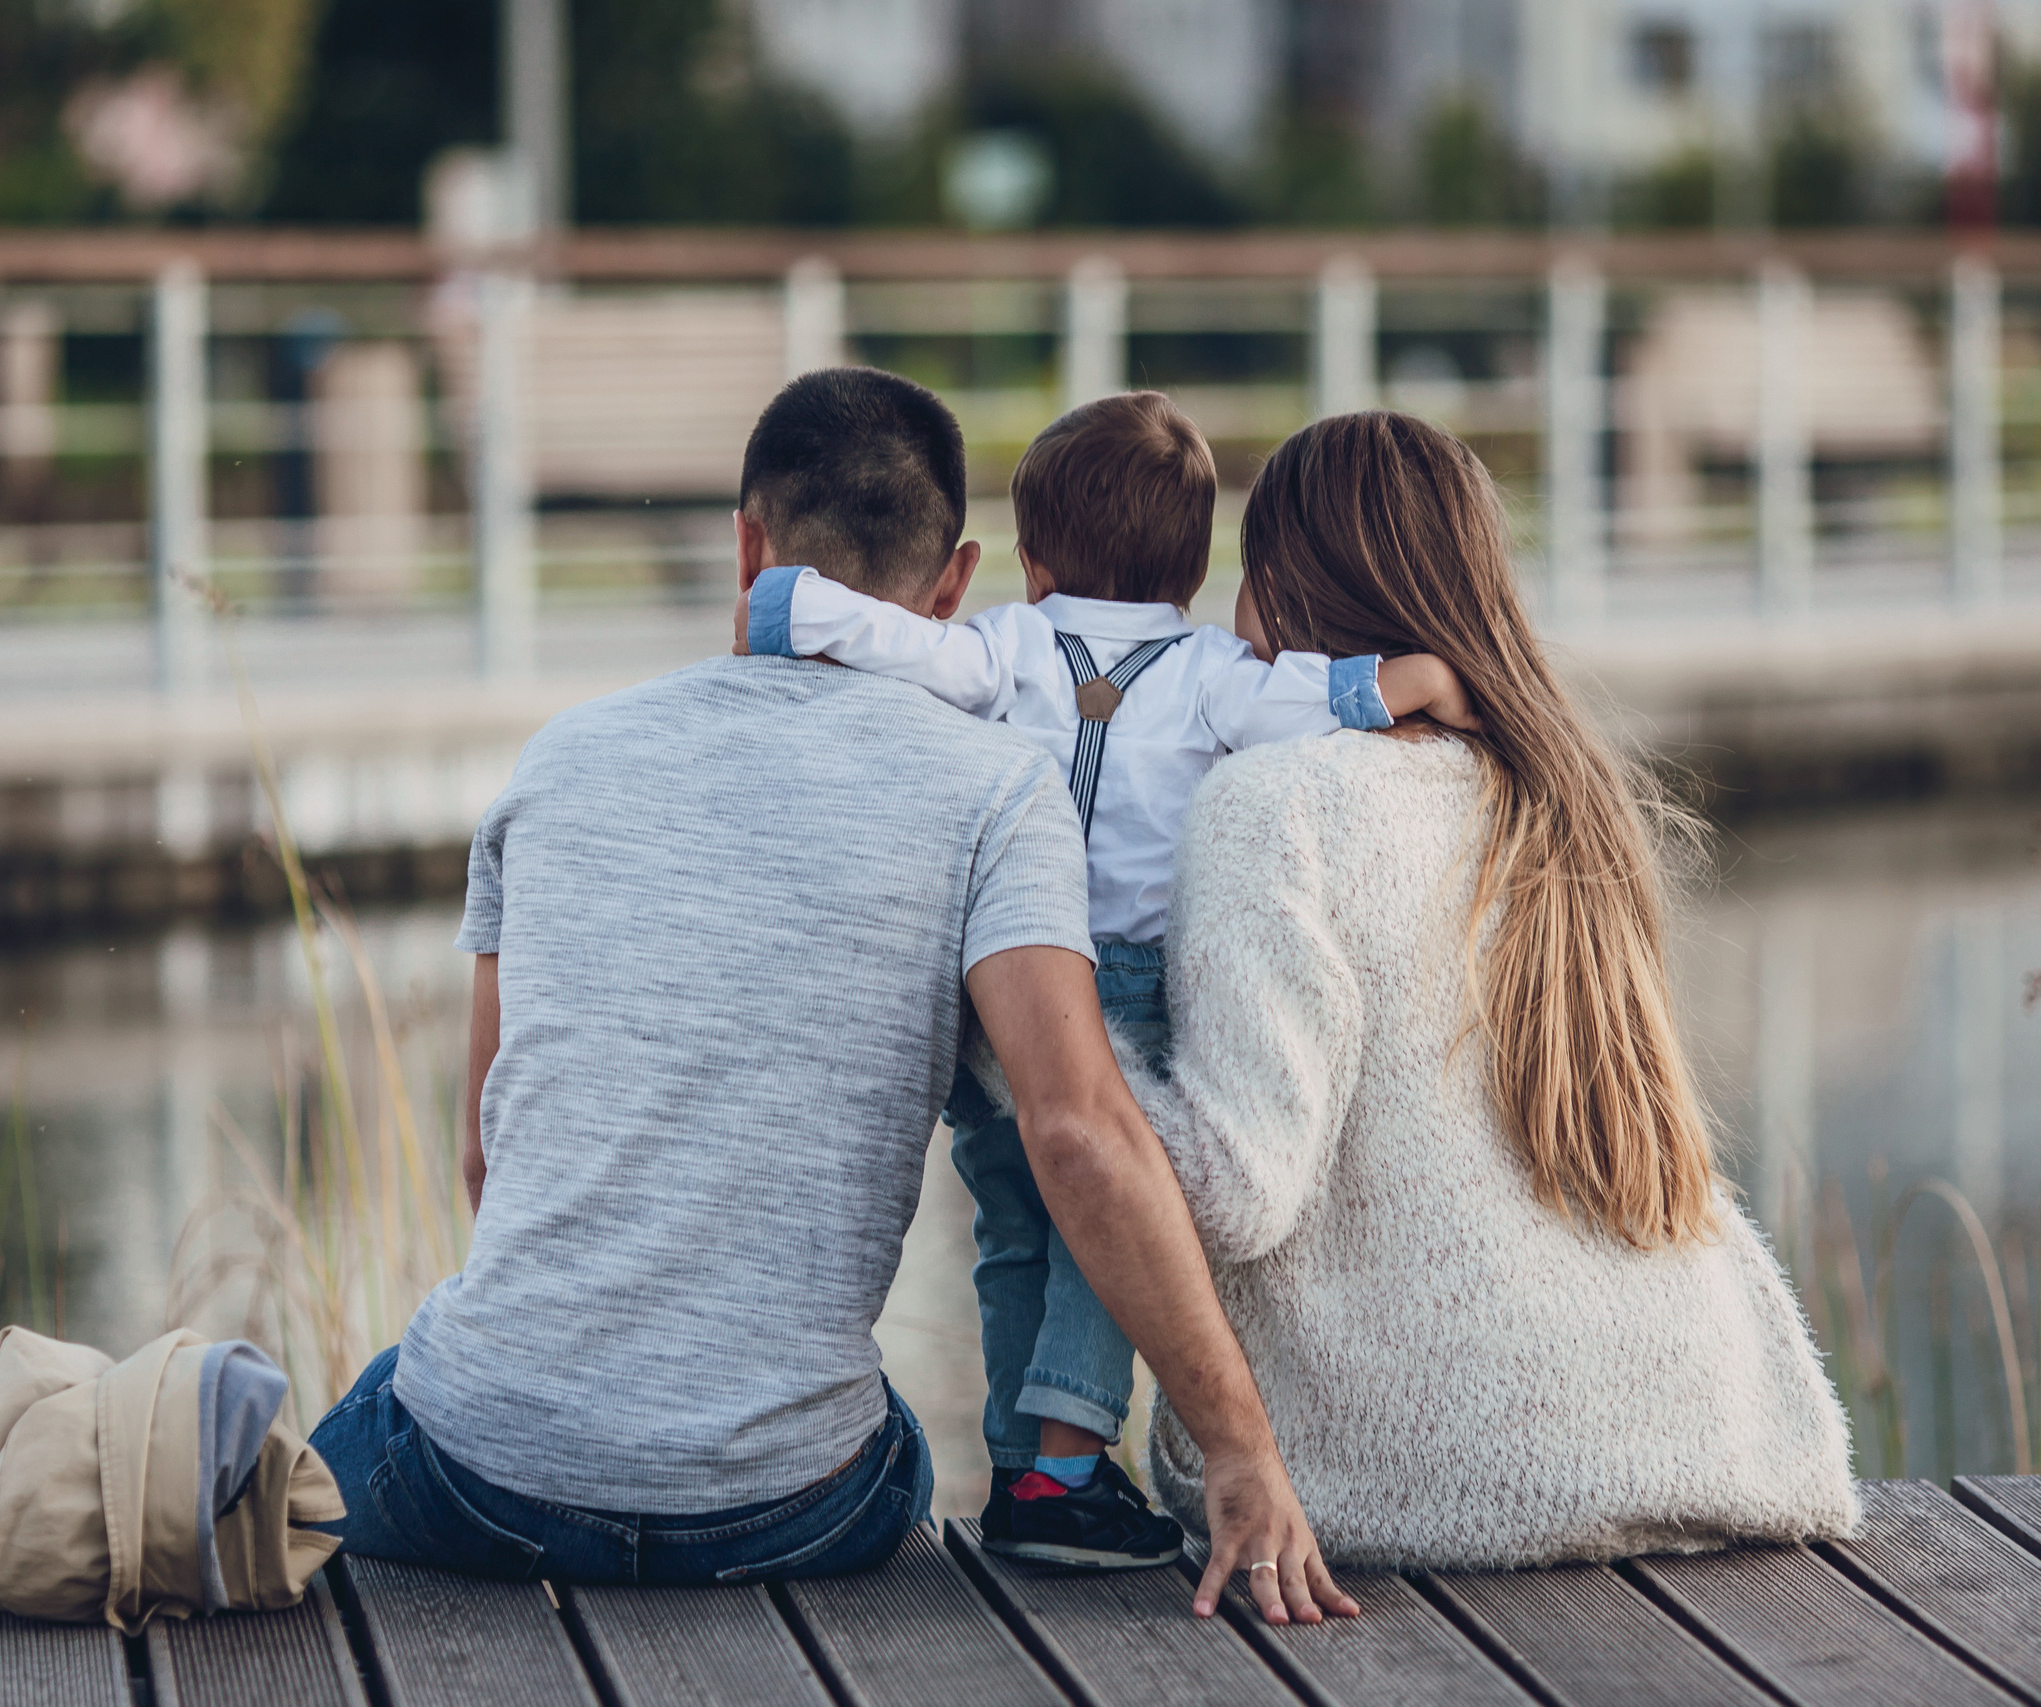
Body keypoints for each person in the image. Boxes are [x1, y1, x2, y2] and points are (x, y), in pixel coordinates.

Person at [307, 366, 1354, 1624]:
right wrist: (1239, 1452)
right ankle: (1055, 1467)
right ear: (956, 581)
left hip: (476, 1481)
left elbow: (487, 1156)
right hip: (787, 1506)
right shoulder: (993, 791)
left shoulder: (560, 757)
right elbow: (1075, 1130)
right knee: (896, 1428)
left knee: (372, 1407)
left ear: (746, 544)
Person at [1110, 409, 1861, 1568]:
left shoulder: (1275, 805)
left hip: (1420, 1481)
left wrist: (1050, 1028)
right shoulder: (1560, 788)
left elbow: (1230, 1193)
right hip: (1711, 1444)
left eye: (1245, 578)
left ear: (1281, 586)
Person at [736, 391, 1471, 1570]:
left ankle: (1021, 1474)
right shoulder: (1216, 673)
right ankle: (1068, 1469)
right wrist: (1429, 682)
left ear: (1030, 559)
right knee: (1111, 1221)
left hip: (996, 988)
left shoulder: (997, 648)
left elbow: (875, 636)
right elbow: (1329, 698)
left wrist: (778, 604)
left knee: (1014, 1227)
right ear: (1193, 563)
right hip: (1127, 989)